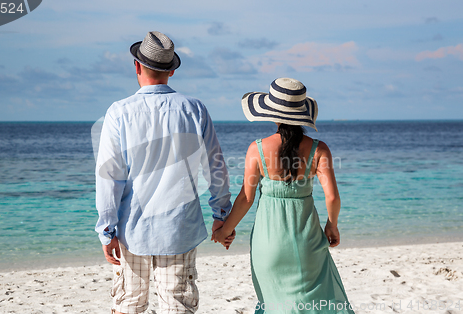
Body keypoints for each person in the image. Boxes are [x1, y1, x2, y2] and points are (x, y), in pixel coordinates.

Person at [95, 31, 234, 314]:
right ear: (171, 70)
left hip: (132, 230)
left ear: (136, 66)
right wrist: (222, 216)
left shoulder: (118, 112)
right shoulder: (194, 109)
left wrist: (106, 230)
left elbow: (110, 177)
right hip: (180, 229)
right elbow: (215, 167)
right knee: (177, 306)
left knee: (128, 305)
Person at [213, 78, 355, 313]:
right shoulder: (319, 149)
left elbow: (245, 199)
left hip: (268, 245)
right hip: (307, 243)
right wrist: (332, 226)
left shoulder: (257, 148)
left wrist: (224, 231)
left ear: (272, 113)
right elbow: (332, 198)